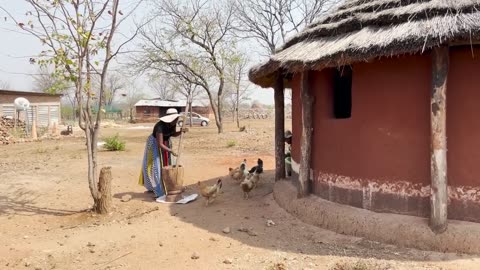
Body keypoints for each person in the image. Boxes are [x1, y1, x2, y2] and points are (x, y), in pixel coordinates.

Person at [139, 108, 188, 197]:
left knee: (167, 164)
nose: (177, 120)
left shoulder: (172, 124)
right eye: (175, 119)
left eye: (177, 118)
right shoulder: (159, 127)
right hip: (155, 146)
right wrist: (170, 150)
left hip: (166, 144)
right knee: (156, 166)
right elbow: (160, 144)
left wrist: (181, 131)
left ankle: (168, 185)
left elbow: (172, 133)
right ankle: (158, 189)